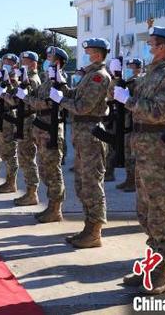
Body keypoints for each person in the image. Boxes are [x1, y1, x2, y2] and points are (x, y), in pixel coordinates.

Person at [114, 24, 165, 295]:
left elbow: (158, 112)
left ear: (164, 48)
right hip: (143, 150)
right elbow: (130, 95)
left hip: (159, 152)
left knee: (160, 214)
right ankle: (153, 264)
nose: (149, 47)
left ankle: (163, 274)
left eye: (152, 44)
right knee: (145, 213)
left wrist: (129, 101)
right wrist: (119, 81)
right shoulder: (148, 74)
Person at [50, 38, 111, 248]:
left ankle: (95, 231)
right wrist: (62, 85)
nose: (88, 54)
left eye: (91, 51)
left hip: (91, 132)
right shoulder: (89, 75)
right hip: (81, 133)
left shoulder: (98, 77)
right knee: (82, 183)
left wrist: (61, 100)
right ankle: (88, 226)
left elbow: (83, 106)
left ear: (99, 53)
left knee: (92, 184)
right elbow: (75, 96)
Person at [21, 47, 68, 218]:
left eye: (50, 57)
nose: (47, 60)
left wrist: (26, 98)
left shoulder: (60, 81)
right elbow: (36, 98)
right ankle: (51, 205)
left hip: (51, 130)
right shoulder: (48, 81)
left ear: (57, 62)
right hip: (41, 129)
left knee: (53, 171)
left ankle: (56, 209)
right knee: (44, 169)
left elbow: (45, 103)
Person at [5, 51, 41, 205]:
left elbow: (27, 100)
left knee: (27, 157)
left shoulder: (32, 79)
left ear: (34, 63)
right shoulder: (25, 79)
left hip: (28, 120)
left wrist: (17, 93)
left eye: (25, 61)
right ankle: (29, 191)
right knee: (23, 156)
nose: (22, 64)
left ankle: (32, 193)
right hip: (23, 119)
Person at [0, 53, 21, 193]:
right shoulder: (2, 79)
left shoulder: (15, 80)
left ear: (15, 65)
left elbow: (15, 101)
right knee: (4, 151)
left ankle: (11, 182)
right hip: (1, 117)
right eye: (4, 61)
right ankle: (8, 181)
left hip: (10, 118)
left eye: (9, 62)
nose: (6, 64)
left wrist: (3, 92)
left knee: (10, 152)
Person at [115, 58, 144, 192]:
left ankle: (133, 181)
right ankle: (129, 178)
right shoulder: (131, 80)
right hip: (127, 119)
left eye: (131, 66)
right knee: (127, 151)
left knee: (132, 153)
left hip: (134, 120)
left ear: (138, 67)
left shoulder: (138, 81)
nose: (129, 68)